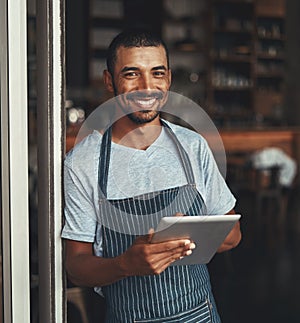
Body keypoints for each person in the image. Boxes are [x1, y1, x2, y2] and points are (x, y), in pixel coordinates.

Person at [62, 30, 242, 323]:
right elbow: (76, 267)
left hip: (200, 315)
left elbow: (233, 236)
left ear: (168, 79)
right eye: (131, 74)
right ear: (110, 81)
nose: (147, 87)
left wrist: (183, 237)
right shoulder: (83, 162)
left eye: (156, 73)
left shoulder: (193, 146)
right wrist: (125, 265)